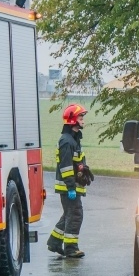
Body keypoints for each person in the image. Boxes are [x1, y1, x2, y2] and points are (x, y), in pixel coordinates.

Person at [47, 103, 94, 259]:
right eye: (81, 117)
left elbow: (75, 163)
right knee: (75, 215)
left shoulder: (73, 139)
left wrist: (83, 168)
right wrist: (71, 187)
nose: (83, 120)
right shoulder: (67, 141)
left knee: (69, 214)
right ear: (73, 120)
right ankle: (71, 248)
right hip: (69, 188)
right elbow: (66, 166)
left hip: (71, 186)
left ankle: (54, 242)